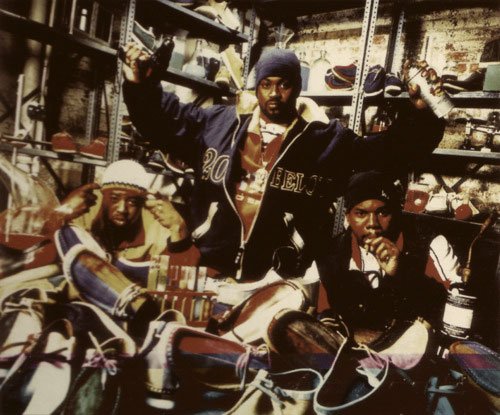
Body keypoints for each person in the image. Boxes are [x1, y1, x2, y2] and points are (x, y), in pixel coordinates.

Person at [122, 45, 446, 282]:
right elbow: (162, 122)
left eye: (284, 84)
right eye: (267, 84)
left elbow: (386, 153)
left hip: (276, 278)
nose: (274, 93)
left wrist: (424, 114)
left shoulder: (324, 141)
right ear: (257, 87)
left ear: (297, 88)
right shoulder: (217, 124)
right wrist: (139, 85)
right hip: (208, 267)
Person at [54, 159, 194, 335]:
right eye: (114, 198)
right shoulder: (81, 217)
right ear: (102, 197)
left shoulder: (156, 230)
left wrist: (178, 229)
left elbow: (178, 285)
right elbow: (38, 257)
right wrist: (60, 214)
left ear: (142, 203)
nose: (122, 209)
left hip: (133, 320)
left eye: (132, 202)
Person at [315, 171, 462, 331]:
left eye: (383, 213)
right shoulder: (333, 252)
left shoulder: (428, 244)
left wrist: (402, 272)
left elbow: (460, 311)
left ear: (396, 213)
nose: (372, 223)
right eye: (361, 213)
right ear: (348, 217)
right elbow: (319, 304)